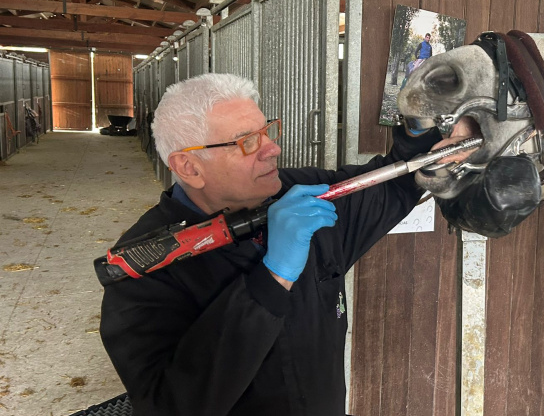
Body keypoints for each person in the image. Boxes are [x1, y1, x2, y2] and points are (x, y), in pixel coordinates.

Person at [99, 73, 442, 415]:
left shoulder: (301, 193)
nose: (272, 148)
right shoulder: (141, 268)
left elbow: (393, 184)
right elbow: (170, 406)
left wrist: (419, 131)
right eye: (247, 141)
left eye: (267, 131)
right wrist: (272, 278)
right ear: (189, 167)